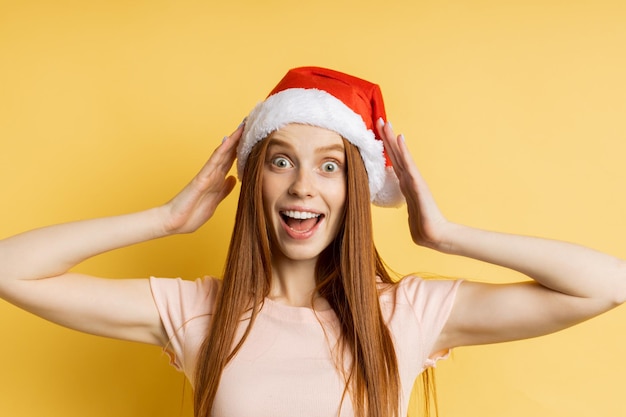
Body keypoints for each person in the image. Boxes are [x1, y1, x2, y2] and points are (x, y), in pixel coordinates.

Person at [0, 66, 624, 417]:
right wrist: (166, 220)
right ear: (254, 181)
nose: (303, 186)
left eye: (330, 166)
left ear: (356, 189)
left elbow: (608, 285)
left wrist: (446, 235)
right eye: (281, 161)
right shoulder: (198, 313)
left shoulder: (407, 314)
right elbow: (9, 270)